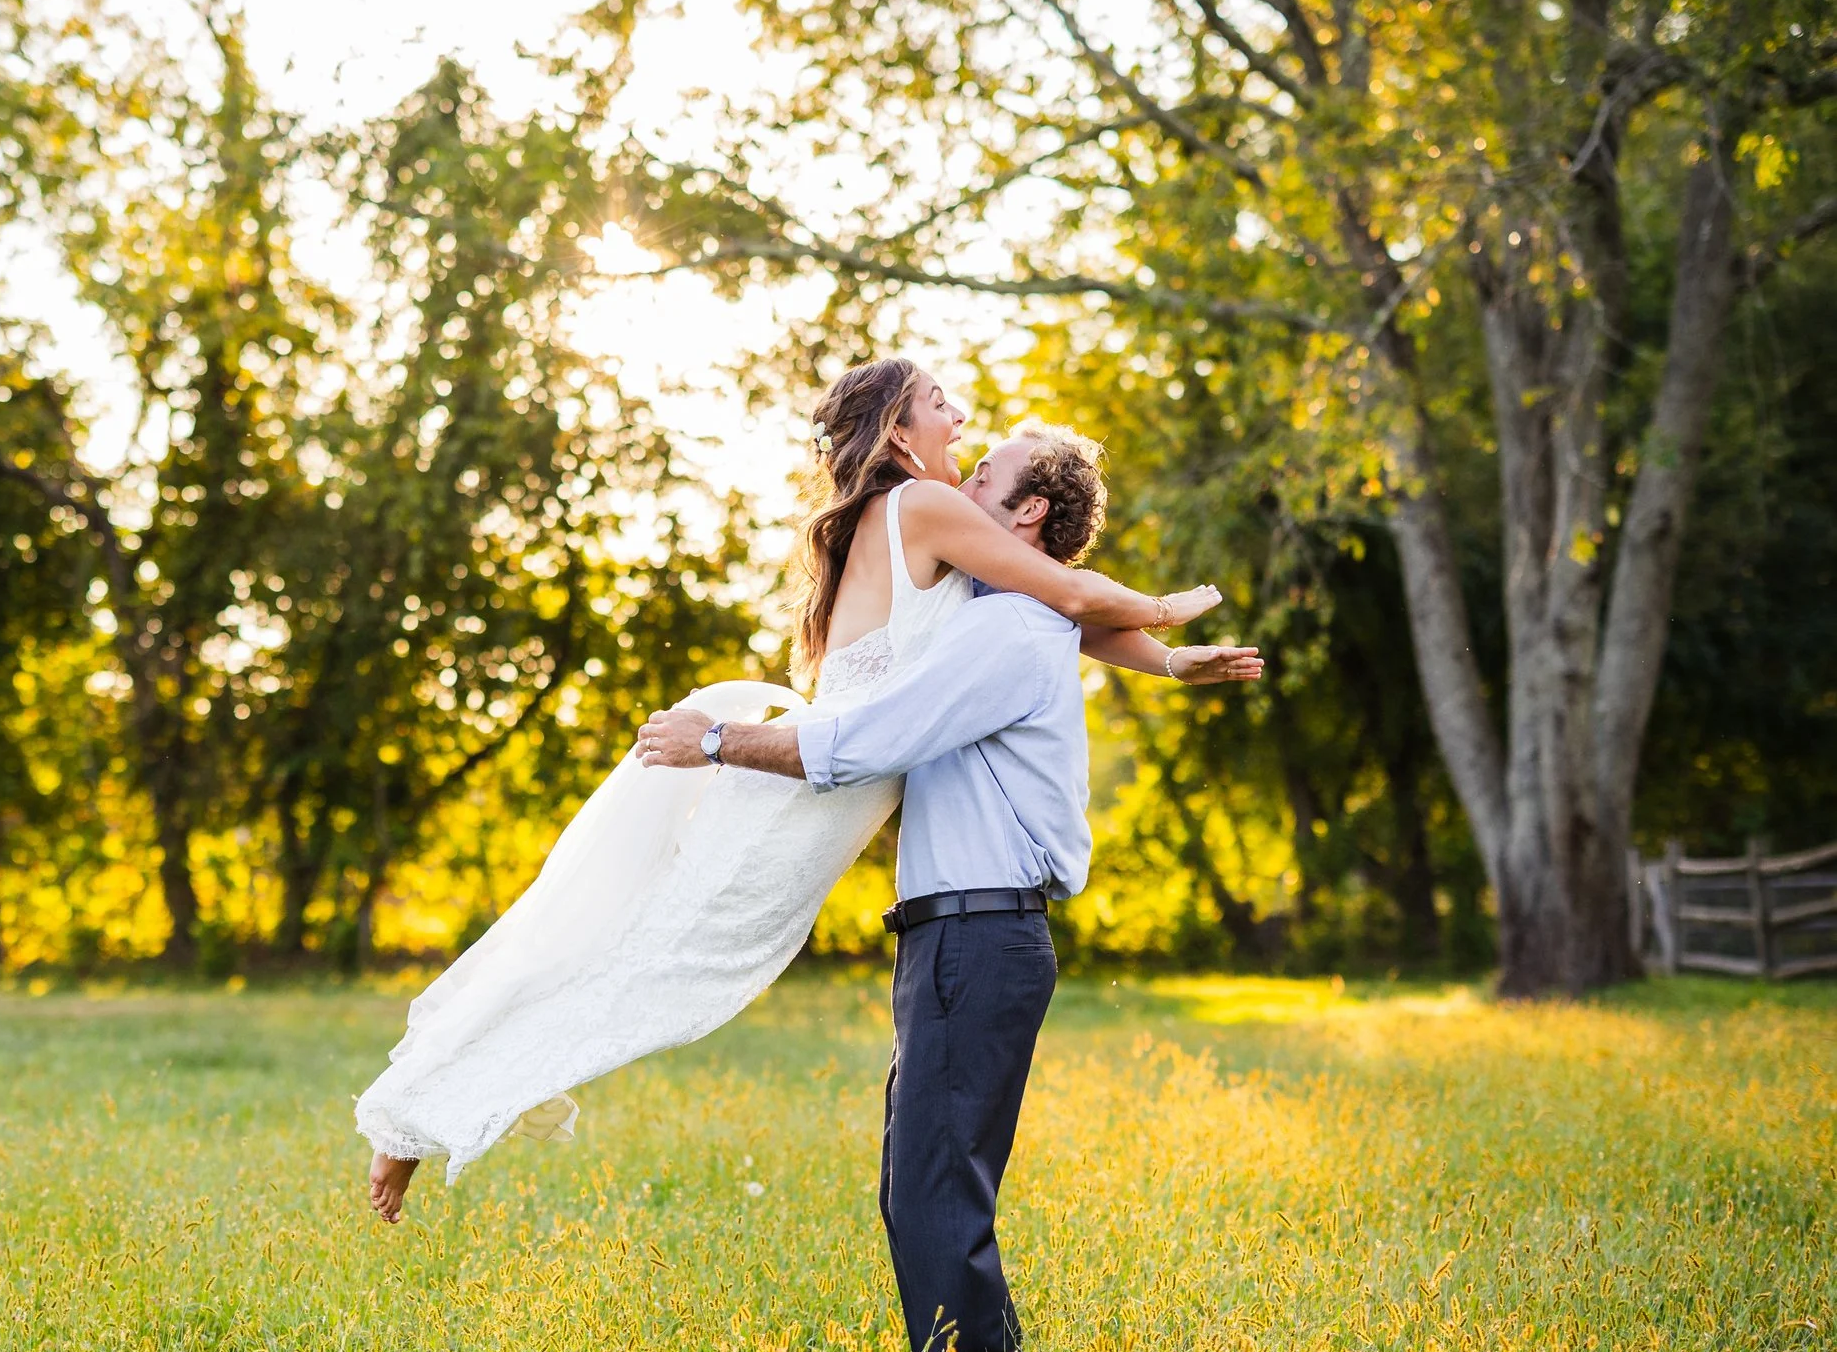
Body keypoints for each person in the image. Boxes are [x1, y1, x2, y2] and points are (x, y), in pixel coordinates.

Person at [357, 359, 1259, 1223]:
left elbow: (1057, 609)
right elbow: (1067, 589)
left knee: (642, 955)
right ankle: (419, 1109)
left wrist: (1168, 661)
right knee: (641, 960)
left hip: (824, 790)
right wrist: (1169, 611)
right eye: (940, 403)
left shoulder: (933, 525)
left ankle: (431, 1101)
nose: (960, 418)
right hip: (805, 790)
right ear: (901, 435)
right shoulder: (928, 505)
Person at [634, 417, 1186, 1352]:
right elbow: (1070, 611)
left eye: (986, 473)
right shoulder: (990, 609)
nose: (959, 476)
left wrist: (713, 737)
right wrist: (1169, 656)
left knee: (934, 1195)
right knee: (919, 1189)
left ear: (1029, 512)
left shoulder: (1007, 631)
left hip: (977, 936)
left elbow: (862, 740)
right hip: (951, 937)